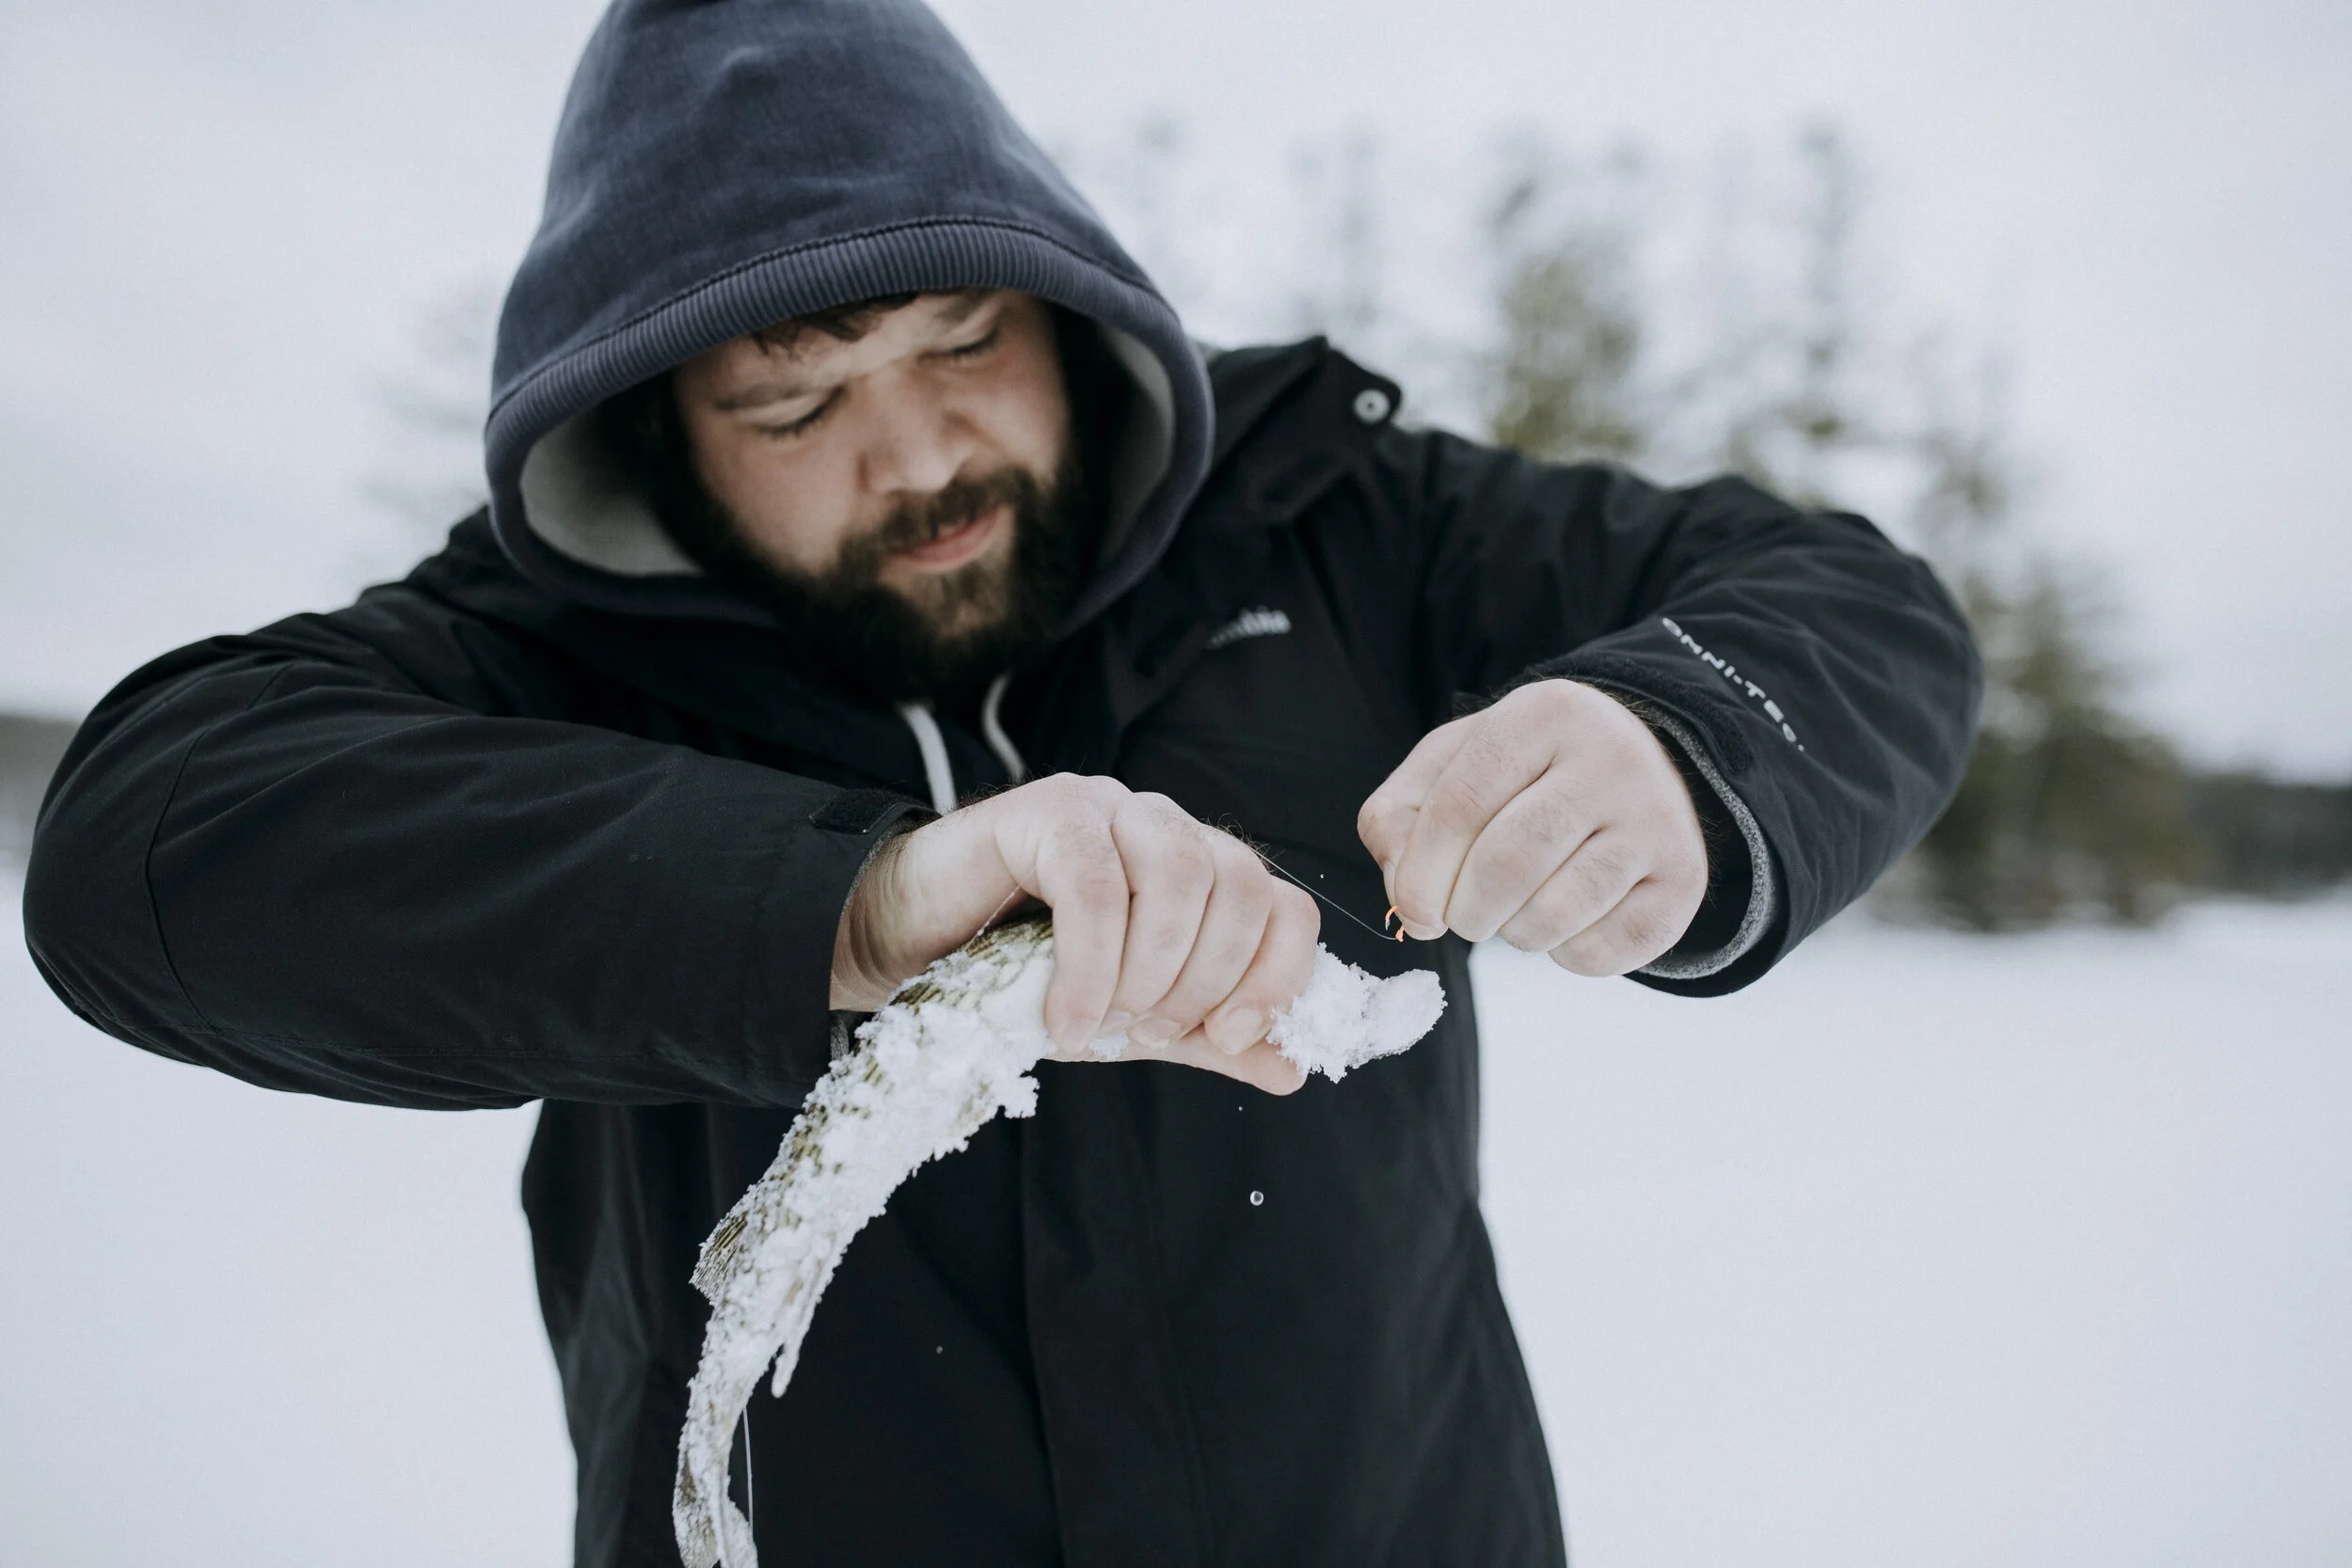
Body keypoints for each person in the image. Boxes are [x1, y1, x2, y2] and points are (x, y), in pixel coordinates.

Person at [21, 1, 1980, 1563]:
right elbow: (147, 843)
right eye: (791, 401)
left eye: (964, 334)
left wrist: (1683, 733)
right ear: (657, 434)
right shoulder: (554, 653)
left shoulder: (1327, 514)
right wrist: (850, 898)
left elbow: (1844, 606)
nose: (918, 450)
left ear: (1064, 305)